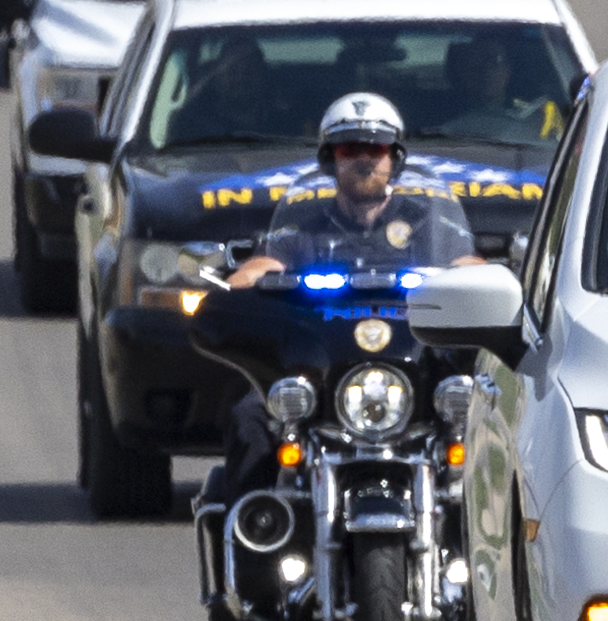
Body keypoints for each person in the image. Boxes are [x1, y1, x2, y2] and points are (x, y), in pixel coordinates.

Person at [201, 95, 480, 527]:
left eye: (377, 149)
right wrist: (242, 281)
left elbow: (465, 262)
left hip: (412, 365)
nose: (365, 160)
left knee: (477, 406)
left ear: (395, 159)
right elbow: (265, 263)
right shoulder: (304, 225)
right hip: (325, 372)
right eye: (351, 150)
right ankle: (258, 529)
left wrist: (490, 281)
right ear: (332, 159)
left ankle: (475, 528)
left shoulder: (427, 221)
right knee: (251, 413)